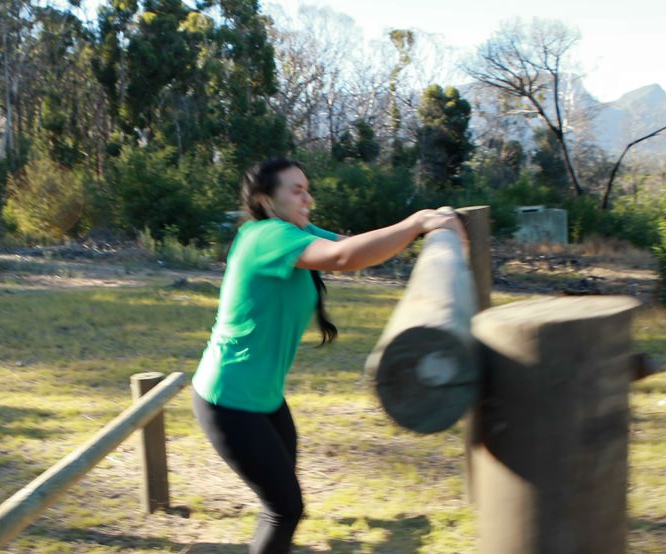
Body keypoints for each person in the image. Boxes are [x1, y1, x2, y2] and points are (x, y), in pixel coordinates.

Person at [191, 158, 465, 553]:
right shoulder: (265, 236)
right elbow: (342, 259)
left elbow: (348, 249)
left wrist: (421, 227)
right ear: (266, 198)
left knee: (284, 500)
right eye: (296, 190)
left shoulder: (292, 232)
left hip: (264, 399)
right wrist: (416, 224)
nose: (308, 198)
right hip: (228, 399)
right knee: (284, 508)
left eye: (307, 188)